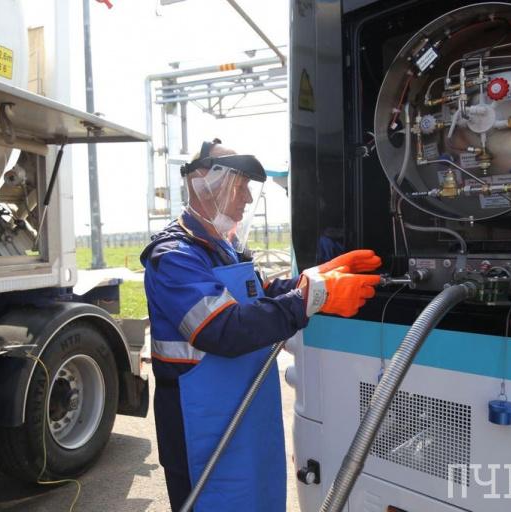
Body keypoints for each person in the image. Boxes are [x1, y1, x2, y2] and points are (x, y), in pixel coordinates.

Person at [140, 140, 382, 511]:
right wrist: (311, 297)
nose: (248, 199)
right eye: (241, 186)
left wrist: (312, 278)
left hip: (245, 417)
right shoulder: (174, 256)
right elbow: (222, 329)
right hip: (201, 426)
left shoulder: (224, 249)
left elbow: (260, 295)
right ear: (206, 184)